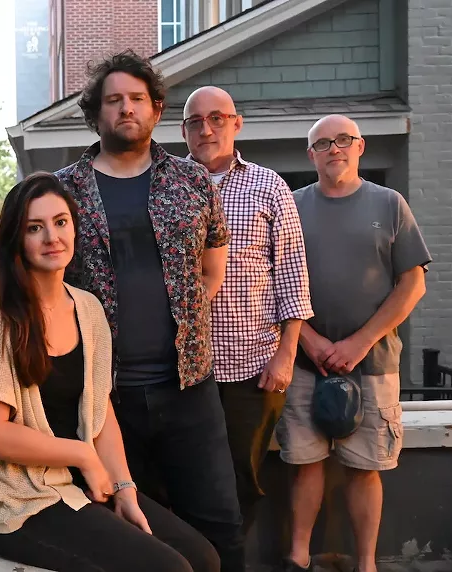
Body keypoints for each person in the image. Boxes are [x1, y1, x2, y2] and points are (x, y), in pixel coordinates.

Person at [0, 172, 220, 572]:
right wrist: (81, 455)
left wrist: (125, 488)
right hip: (20, 504)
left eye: (61, 222)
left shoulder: (88, 310)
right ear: (16, 239)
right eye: (35, 227)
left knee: (204, 559)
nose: (52, 237)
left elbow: (100, 415)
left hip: (78, 486)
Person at [55, 50, 244, 572]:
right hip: (103, 400)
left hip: (189, 388)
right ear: (96, 113)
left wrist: (183, 323)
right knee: (126, 528)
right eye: (113, 100)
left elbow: (212, 269)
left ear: (157, 110)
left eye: (137, 99)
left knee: (219, 521)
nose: (126, 109)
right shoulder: (63, 190)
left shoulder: (192, 182)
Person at [277, 114, 431, 572]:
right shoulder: (293, 205)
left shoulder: (390, 204)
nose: (334, 149)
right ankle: (298, 558)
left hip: (374, 364)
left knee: (366, 468)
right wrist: (310, 340)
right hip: (306, 364)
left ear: (360, 147)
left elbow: (412, 285)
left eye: (343, 140)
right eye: (322, 144)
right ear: (311, 155)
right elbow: (271, 282)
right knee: (304, 463)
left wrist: (360, 343)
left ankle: (367, 564)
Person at [182, 86, 313, 533]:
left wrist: (287, 353)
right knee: (185, 480)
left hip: (253, 367)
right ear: (184, 131)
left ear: (237, 124)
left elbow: (293, 273)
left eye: (217, 117)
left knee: (242, 478)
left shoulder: (270, 186)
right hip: (184, 368)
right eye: (196, 121)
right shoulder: (166, 186)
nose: (206, 128)